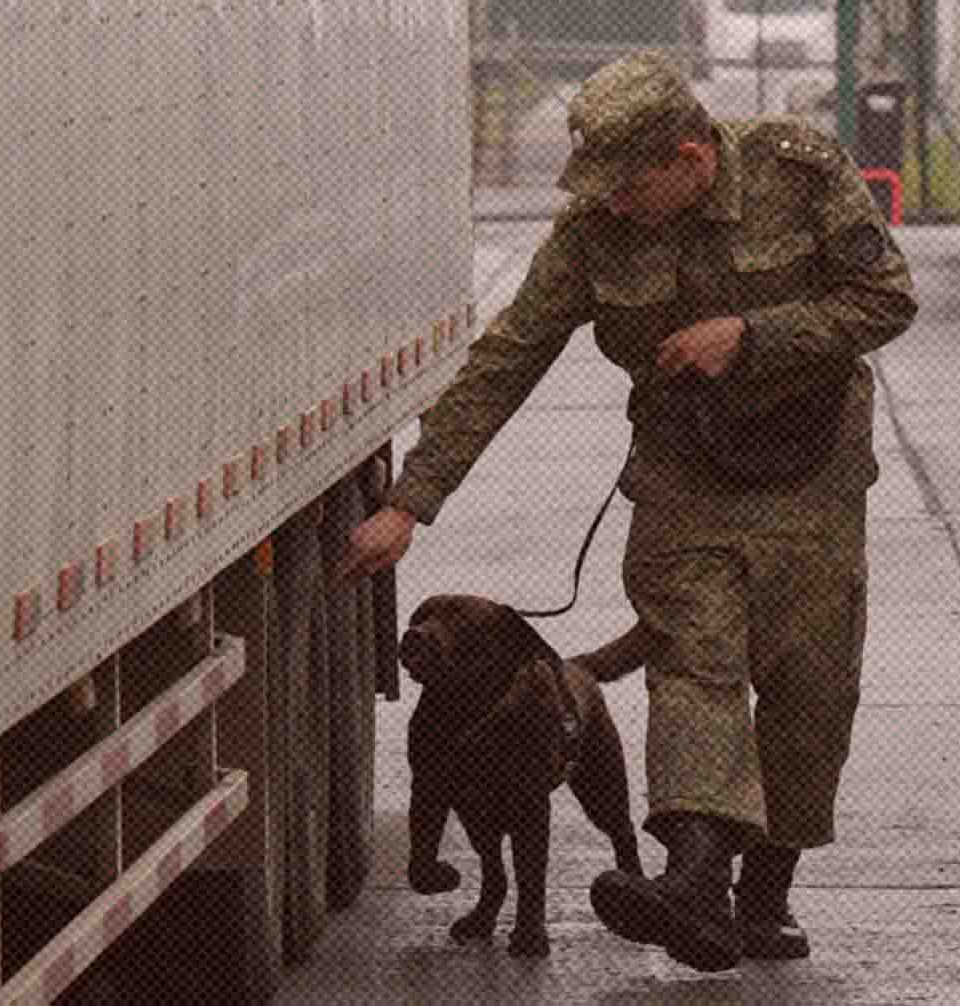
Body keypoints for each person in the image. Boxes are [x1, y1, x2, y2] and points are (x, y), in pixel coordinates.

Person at [336, 51, 917, 972]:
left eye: (626, 184)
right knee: (694, 665)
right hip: (683, 474)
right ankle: (692, 876)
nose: (610, 203)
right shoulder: (591, 236)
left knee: (809, 693)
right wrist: (413, 501)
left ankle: (763, 893)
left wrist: (753, 337)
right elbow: (506, 359)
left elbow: (887, 297)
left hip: (810, 481)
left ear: (691, 158)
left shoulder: (797, 174)